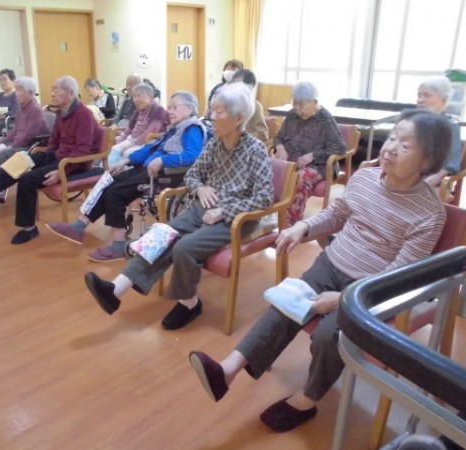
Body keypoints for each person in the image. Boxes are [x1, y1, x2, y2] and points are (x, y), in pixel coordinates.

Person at [188, 108, 451, 433]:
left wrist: (341, 299)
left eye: (406, 145)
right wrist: (304, 227)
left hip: (369, 290)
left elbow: (397, 276)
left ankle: (307, 400)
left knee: (329, 336)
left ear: (428, 161)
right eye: (393, 137)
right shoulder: (365, 178)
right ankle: (226, 371)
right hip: (331, 264)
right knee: (286, 303)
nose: (391, 148)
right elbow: (337, 214)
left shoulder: (429, 214)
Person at [81, 83, 274, 330]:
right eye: (212, 110)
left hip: (235, 218)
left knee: (184, 247)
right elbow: (192, 174)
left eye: (219, 112)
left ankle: (189, 304)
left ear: (238, 118)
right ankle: (115, 290)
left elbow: (265, 197)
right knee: (161, 234)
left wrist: (224, 211)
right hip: (201, 208)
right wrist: (201, 188)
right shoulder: (215, 144)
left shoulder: (255, 150)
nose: (211, 116)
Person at [46, 90, 205, 262]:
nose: (170, 111)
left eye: (174, 107)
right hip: (148, 168)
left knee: (116, 193)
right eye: (169, 107)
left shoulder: (192, 128)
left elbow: (192, 155)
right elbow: (149, 149)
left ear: (190, 109)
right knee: (109, 181)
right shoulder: (174, 129)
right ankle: (78, 226)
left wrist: (162, 160)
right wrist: (126, 161)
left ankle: (118, 247)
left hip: (164, 174)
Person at [0, 76, 102, 245]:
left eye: (56, 89)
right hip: (58, 157)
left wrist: (60, 171)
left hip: (74, 164)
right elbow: (54, 141)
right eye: (52, 89)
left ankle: (29, 228)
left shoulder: (83, 114)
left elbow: (82, 150)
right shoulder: (61, 112)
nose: (52, 93)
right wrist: (42, 159)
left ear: (70, 93)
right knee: (21, 160)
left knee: (27, 179)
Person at [273, 81, 346, 224]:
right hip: (292, 161)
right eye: (295, 104)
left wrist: (312, 155)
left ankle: (291, 222)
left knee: (300, 177)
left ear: (315, 102)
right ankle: (267, 216)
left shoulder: (325, 119)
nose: (298, 109)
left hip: (319, 165)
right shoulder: (292, 115)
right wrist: (280, 147)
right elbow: (278, 137)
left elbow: (340, 147)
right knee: (270, 170)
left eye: (302, 105)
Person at [0, 76, 51, 202]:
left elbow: (28, 135)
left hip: (32, 145)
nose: (16, 93)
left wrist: (11, 146)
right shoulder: (22, 109)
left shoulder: (35, 109)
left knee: (4, 153)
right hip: (21, 143)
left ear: (30, 92)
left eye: (20, 90)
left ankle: (0, 189)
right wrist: (0, 142)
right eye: (17, 90)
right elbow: (14, 131)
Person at [107, 82, 169, 167]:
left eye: (139, 96)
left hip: (148, 142)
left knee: (127, 154)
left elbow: (149, 133)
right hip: (132, 139)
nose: (135, 100)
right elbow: (128, 130)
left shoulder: (158, 110)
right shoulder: (137, 111)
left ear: (149, 97)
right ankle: (107, 172)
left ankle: (119, 173)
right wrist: (120, 140)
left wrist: (131, 144)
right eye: (134, 96)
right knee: (113, 149)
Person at [416, 75, 462, 188]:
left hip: (432, 183)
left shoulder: (450, 126)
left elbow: (449, 166)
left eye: (427, 95)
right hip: (404, 178)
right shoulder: (412, 122)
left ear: (444, 100)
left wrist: (423, 187)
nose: (420, 100)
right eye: (419, 95)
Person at [231, 69, 268, 143]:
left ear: (249, 87)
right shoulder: (229, 103)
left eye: (238, 85)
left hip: (245, 146)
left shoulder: (255, 106)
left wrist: (242, 138)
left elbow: (263, 134)